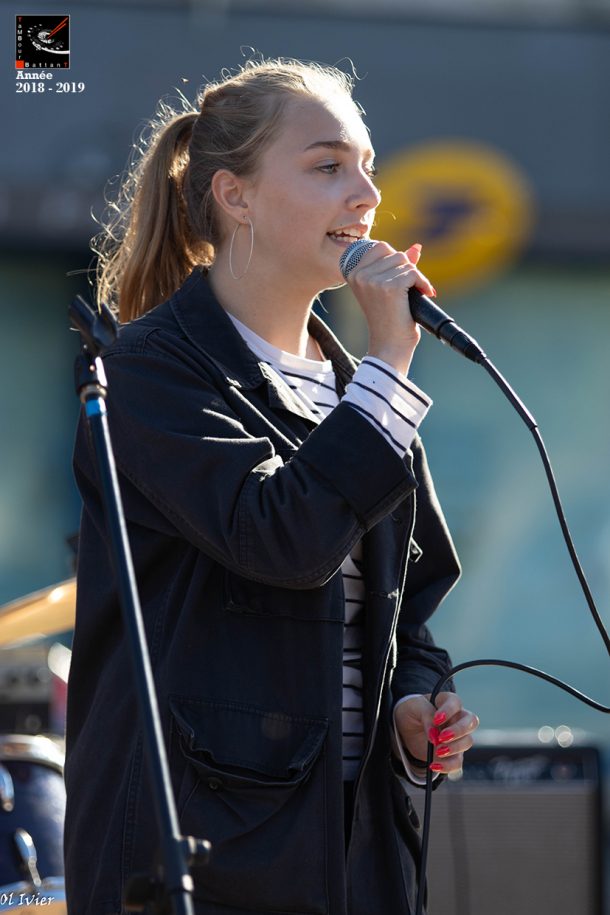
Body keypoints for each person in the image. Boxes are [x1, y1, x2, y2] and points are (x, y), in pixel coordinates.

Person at [64, 57, 479, 915]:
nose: (367, 193)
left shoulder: (352, 386)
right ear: (236, 196)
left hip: (350, 851)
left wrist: (412, 701)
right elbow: (280, 537)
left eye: (368, 165)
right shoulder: (149, 371)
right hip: (206, 859)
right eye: (328, 166)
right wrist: (390, 363)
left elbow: (408, 606)